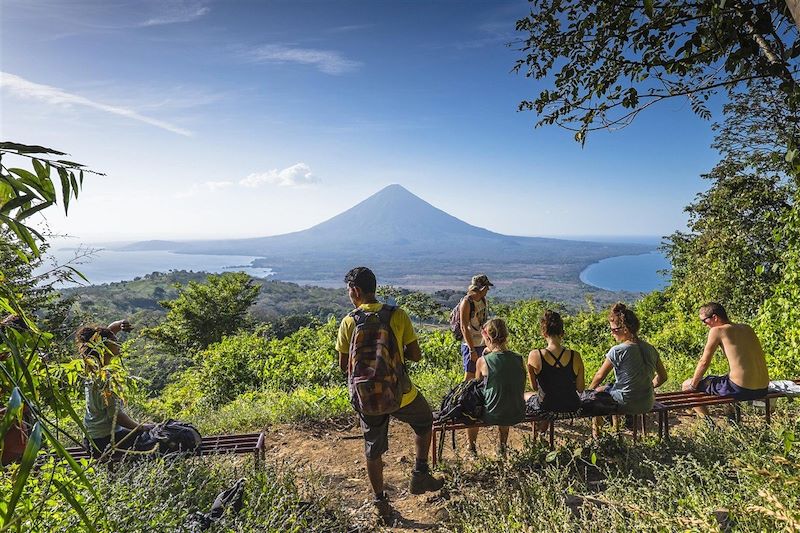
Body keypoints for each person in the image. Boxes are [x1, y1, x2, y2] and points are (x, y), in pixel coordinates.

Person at [335, 267, 443, 521]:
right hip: (399, 393)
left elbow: (344, 366)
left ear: (356, 291)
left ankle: (380, 502)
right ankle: (420, 474)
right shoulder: (398, 315)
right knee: (424, 419)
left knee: (373, 448)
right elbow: (416, 355)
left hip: (368, 399)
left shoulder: (349, 321)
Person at [589, 303, 668, 435]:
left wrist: (587, 393)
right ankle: (616, 429)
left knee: (597, 394)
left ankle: (597, 437)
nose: (611, 333)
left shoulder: (618, 350)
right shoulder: (650, 348)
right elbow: (663, 377)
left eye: (614, 330)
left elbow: (599, 376)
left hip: (626, 402)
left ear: (625, 329)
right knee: (610, 388)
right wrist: (649, 386)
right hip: (647, 402)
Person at [79, 319, 152, 458]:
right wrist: (142, 427)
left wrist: (117, 325)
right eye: (114, 341)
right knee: (161, 439)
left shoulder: (92, 368)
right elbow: (116, 417)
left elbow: (102, 338)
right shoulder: (105, 378)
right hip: (105, 442)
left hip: (92, 440)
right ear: (104, 347)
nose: (118, 343)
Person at [682, 302, 769, 417]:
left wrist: (693, 386)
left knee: (686, 385)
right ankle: (733, 422)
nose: (704, 324)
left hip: (741, 389)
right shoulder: (747, 328)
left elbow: (704, 362)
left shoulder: (717, 330)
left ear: (714, 317)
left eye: (704, 321)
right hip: (763, 388)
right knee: (725, 382)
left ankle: (708, 424)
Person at [467, 318, 526, 455]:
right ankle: (503, 446)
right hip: (517, 412)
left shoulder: (483, 361)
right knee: (506, 396)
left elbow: (477, 385)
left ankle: (471, 448)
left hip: (492, 415)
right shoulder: (519, 359)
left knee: (473, 401)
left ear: (488, 338)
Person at [525, 310, 584, 435]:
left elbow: (534, 387)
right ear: (562, 333)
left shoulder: (535, 355)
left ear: (543, 332)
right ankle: (541, 433)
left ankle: (538, 435)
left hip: (547, 408)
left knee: (527, 396)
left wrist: (530, 371)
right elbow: (580, 388)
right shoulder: (576, 356)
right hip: (573, 407)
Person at [459, 274, 492, 380]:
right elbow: (464, 327)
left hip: (482, 343)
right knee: (469, 377)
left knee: (481, 376)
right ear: (481, 288)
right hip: (471, 344)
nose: (488, 289)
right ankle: (462, 396)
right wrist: (471, 350)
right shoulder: (467, 302)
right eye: (486, 287)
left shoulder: (482, 300)